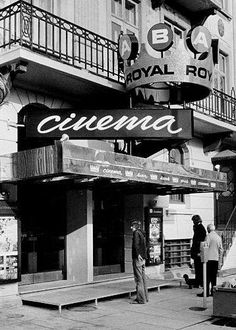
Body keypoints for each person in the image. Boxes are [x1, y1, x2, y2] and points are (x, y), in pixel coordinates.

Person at [197, 224, 223, 297]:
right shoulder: (218, 237)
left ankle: (206, 292)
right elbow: (221, 250)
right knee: (213, 277)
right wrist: (220, 262)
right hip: (216, 259)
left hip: (208, 260)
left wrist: (200, 255)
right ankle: (213, 292)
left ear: (208, 229)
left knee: (207, 277)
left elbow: (205, 247)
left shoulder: (208, 236)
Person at [185, 215, 206, 288]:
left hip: (198, 252)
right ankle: (198, 281)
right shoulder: (198, 227)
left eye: (194, 221)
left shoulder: (200, 228)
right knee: (197, 268)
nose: (193, 223)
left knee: (199, 268)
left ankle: (199, 282)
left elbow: (200, 241)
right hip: (197, 251)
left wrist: (198, 252)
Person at [130, 220, 148, 304]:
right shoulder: (142, 233)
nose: (131, 228)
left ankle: (140, 299)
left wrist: (138, 255)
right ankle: (145, 297)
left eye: (132, 226)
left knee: (138, 279)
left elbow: (135, 245)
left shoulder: (136, 233)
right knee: (143, 278)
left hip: (138, 258)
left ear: (135, 226)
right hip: (143, 258)